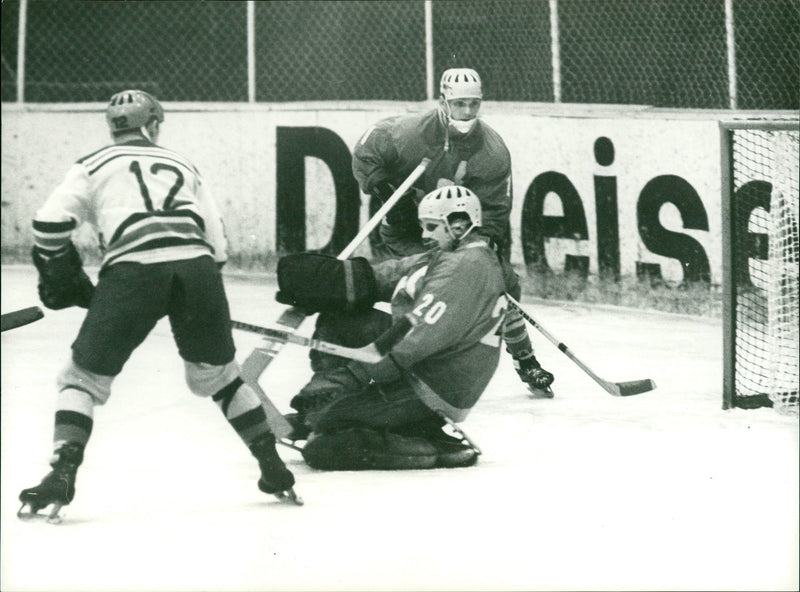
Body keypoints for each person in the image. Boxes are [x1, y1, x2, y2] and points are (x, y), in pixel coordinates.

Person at [18, 90, 296, 521]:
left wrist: (58, 273)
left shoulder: (91, 164)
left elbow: (48, 224)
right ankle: (273, 467)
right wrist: (192, 292)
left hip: (132, 274)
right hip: (197, 270)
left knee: (82, 379)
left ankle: (61, 473)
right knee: (221, 376)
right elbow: (217, 244)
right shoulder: (184, 165)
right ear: (153, 124)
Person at [352, 67, 554, 397]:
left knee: (502, 283)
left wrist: (478, 245)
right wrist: (383, 189)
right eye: (459, 104)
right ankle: (397, 365)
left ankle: (525, 360)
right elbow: (367, 148)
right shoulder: (410, 132)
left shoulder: (492, 152)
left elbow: (493, 211)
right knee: (416, 291)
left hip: (459, 233)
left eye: (474, 104)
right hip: (407, 231)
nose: (467, 112)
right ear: (443, 102)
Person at [277, 186, 507, 470]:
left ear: (459, 224)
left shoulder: (466, 268)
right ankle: (334, 411)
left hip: (435, 387)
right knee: (340, 317)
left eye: (432, 227)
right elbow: (402, 274)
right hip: (427, 364)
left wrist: (349, 377)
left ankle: (432, 444)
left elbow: (412, 340)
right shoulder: (451, 254)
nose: (425, 235)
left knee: (323, 445)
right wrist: (341, 281)